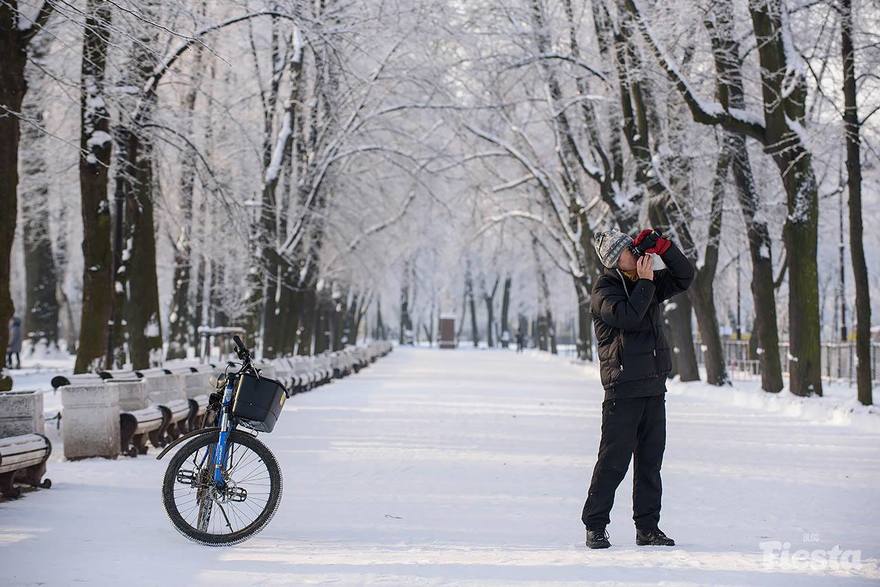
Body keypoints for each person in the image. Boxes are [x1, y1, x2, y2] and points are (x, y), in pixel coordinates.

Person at [582, 228, 694, 549]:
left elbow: (685, 277)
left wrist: (665, 248)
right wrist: (646, 282)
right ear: (617, 259)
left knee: (650, 461)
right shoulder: (605, 290)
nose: (636, 252)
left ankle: (647, 527)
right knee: (613, 461)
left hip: (653, 385)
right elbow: (629, 318)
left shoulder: (646, 282)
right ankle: (595, 524)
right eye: (629, 250)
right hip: (623, 387)